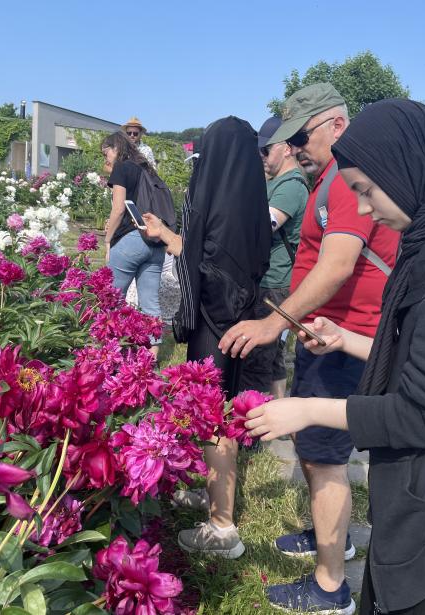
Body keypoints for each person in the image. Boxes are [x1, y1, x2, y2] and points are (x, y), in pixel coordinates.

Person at [245, 99, 425, 614]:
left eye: (365, 191)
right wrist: (348, 339)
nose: (362, 209)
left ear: (407, 173)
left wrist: (307, 409)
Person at [219, 83, 400, 614]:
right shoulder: (330, 179)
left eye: (302, 134)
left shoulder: (347, 181)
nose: (295, 145)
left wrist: (274, 323)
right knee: (315, 450)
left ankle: (330, 587)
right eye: (291, 137)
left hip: (345, 339)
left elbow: (338, 265)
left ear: (336, 125)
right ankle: (335, 538)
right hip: (330, 331)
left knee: (324, 462)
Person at [142, 116, 271, 559]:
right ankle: (214, 496)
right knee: (220, 418)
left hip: (218, 324)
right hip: (238, 320)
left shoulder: (221, 207)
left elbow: (214, 271)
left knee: (213, 419)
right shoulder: (247, 199)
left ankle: (222, 528)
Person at [241, 116, 308, 399]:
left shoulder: (291, 185)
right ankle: (280, 412)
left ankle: (255, 427)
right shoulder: (275, 181)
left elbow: (261, 227)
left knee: (259, 356)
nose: (262, 156)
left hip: (275, 284)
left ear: (287, 148)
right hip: (271, 280)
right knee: (275, 355)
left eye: (266, 150)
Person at [101, 131, 166, 353]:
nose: (105, 159)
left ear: (116, 148)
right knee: (150, 304)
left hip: (130, 240)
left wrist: (108, 240)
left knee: (111, 300)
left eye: (106, 153)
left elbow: (119, 208)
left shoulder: (122, 168)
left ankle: (109, 353)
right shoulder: (147, 170)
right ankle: (152, 360)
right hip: (155, 242)